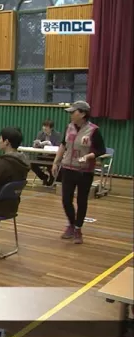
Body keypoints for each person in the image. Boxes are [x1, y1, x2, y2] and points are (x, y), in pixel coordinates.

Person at [51, 101, 106, 245]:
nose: (70, 114)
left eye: (73, 112)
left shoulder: (93, 130)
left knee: (81, 200)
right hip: (68, 169)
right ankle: (71, 223)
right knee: (66, 200)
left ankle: (78, 229)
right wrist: (56, 162)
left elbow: (101, 150)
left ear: (82, 114)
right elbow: (63, 145)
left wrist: (89, 156)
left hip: (84, 171)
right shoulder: (69, 127)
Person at [31, 119, 63, 186]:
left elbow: (59, 147)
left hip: (52, 157)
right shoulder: (40, 134)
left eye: (46, 126)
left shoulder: (57, 135)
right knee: (32, 164)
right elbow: (36, 145)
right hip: (42, 156)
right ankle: (44, 177)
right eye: (43, 126)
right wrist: (36, 144)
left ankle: (52, 179)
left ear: (51, 128)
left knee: (51, 165)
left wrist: (50, 145)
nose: (44, 128)